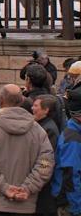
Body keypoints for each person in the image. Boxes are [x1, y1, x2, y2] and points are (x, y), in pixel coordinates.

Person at [0, 84, 54, 215]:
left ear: (1, 101)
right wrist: (27, 188)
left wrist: (4, 188)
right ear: (21, 101)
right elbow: (45, 163)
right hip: (25, 204)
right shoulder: (38, 131)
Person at [51, 88, 81, 216]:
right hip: (71, 204)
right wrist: (77, 207)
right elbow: (70, 175)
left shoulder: (74, 132)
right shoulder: (72, 138)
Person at [33, 95, 60, 216]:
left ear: (46, 110)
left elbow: (46, 160)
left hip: (44, 187)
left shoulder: (49, 129)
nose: (32, 108)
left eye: (36, 106)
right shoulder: (42, 125)